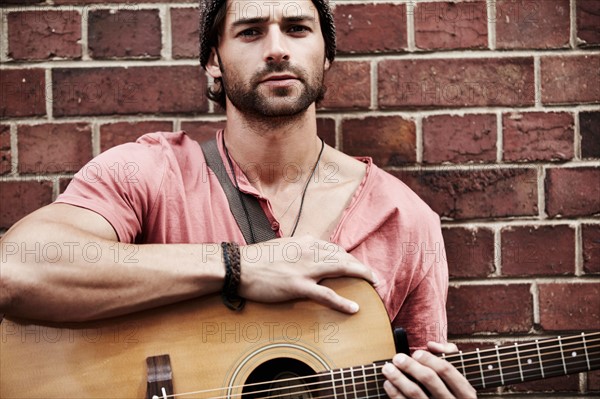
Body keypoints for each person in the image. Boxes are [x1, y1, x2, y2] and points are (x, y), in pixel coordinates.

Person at [0, 0, 476, 397]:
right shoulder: (148, 172)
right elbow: (16, 272)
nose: (276, 50)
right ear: (213, 60)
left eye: (296, 29)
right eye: (250, 32)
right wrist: (238, 267)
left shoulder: (405, 220)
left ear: (326, 54)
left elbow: (418, 373)